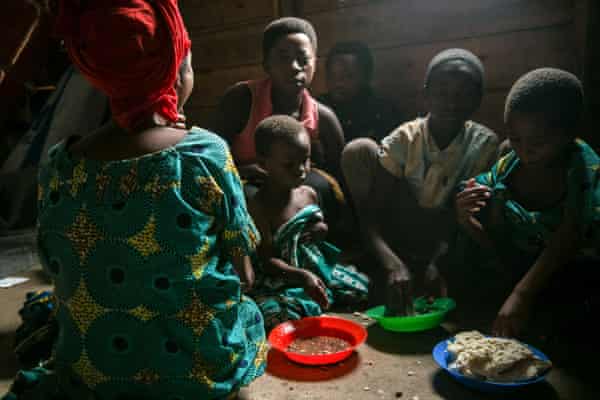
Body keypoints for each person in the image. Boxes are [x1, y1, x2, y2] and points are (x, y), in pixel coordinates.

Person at [2, 1, 266, 399]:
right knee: (248, 312)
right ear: (174, 74)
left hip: (94, 371)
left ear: (98, 73)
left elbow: (55, 265)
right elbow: (244, 273)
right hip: (195, 377)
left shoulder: (59, 164)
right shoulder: (202, 155)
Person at [341, 49, 499, 315]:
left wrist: (439, 262)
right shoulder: (405, 139)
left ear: (478, 100)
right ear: (425, 95)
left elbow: (467, 219)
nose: (451, 102)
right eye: (442, 92)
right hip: (403, 235)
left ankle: (436, 273)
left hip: (451, 238)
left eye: (463, 93)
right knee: (360, 150)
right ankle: (396, 266)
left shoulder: (484, 145)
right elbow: (371, 217)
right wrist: (393, 264)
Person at [456, 68, 600, 339]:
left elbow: (569, 237)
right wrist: (465, 217)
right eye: (515, 138)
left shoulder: (581, 167)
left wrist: (521, 294)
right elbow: (488, 238)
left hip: (569, 268)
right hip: (519, 263)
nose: (523, 149)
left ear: (569, 134)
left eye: (538, 142)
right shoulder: (509, 164)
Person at [209, 17, 346, 224]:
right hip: (245, 183)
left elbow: (338, 176)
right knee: (248, 196)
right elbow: (209, 156)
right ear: (267, 64)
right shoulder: (242, 99)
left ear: (314, 63)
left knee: (318, 186)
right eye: (283, 58)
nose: (294, 66)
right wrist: (241, 170)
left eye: (303, 58)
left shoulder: (323, 117)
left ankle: (301, 245)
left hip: (293, 190)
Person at [247, 116, 368, 331]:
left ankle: (313, 299)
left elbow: (320, 227)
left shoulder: (308, 194)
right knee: (277, 316)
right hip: (281, 278)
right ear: (264, 164)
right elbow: (268, 260)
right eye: (289, 164)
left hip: (315, 268)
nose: (301, 169)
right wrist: (302, 276)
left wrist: (320, 230)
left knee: (360, 288)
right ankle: (306, 302)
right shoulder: (259, 206)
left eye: (306, 160)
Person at [318, 41, 403, 143]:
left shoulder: (383, 112)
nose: (338, 83)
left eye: (348, 76)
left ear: (366, 77)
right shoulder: (318, 108)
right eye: (333, 76)